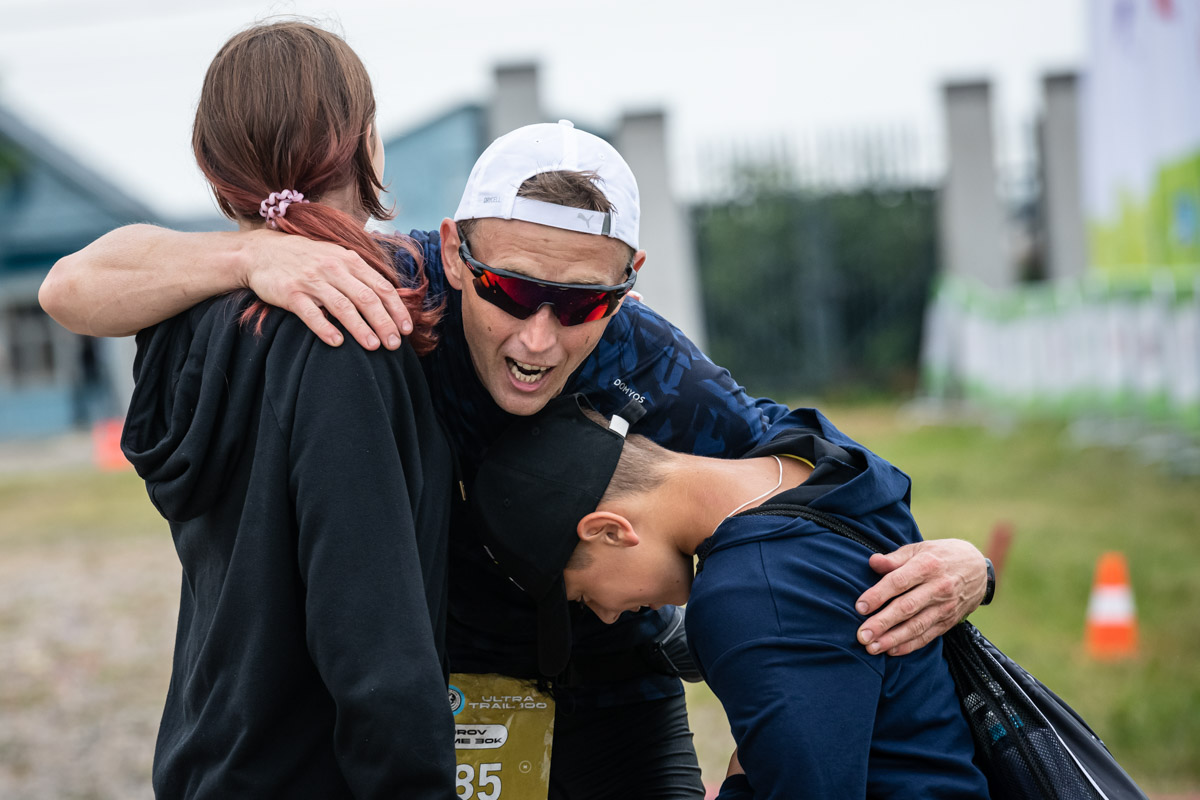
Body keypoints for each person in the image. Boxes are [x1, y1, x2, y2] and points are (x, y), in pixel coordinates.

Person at [41, 120, 992, 797]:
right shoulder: (388, 290)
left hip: (611, 692)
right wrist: (243, 260)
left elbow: (823, 483)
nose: (538, 338)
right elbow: (74, 287)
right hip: (430, 696)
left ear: (627, 285)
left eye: (578, 304)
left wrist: (967, 567)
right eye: (507, 289)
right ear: (454, 253)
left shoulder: (655, 367)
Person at [115, 21, 455, 797]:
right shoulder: (344, 331)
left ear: (213, 171)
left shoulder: (181, 322)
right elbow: (375, 648)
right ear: (366, 142)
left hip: (208, 761)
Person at [472, 394, 992, 799]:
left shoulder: (744, 595)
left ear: (610, 530)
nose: (607, 616)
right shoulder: (817, 456)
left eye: (583, 596)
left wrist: (743, 774)